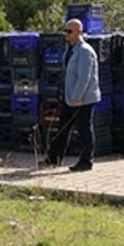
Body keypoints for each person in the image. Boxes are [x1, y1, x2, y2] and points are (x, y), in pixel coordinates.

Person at [44, 18, 101, 172]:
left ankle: (86, 162)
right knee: (63, 128)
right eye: (66, 31)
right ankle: (53, 158)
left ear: (79, 32)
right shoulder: (69, 49)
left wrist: (77, 96)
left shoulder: (84, 51)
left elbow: (85, 77)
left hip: (83, 99)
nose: (67, 34)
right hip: (69, 97)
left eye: (70, 31)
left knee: (84, 130)